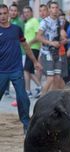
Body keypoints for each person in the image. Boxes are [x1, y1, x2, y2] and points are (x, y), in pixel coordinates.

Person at [0, 4, 42, 133]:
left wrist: (35, 61)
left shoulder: (17, 29)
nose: (2, 16)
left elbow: (25, 46)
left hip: (16, 70)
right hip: (1, 71)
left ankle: (26, 124)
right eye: (0, 14)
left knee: (23, 97)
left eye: (4, 13)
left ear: (9, 14)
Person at [37, 1, 63, 96]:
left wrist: (61, 40)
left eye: (56, 8)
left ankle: (52, 101)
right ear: (49, 9)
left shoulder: (59, 21)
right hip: (47, 53)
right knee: (50, 78)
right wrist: (51, 43)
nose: (55, 10)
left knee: (57, 78)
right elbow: (38, 37)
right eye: (52, 8)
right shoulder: (45, 22)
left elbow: (59, 36)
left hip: (57, 52)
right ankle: (41, 100)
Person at [23, 6, 42, 98]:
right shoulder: (27, 22)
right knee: (28, 70)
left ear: (31, 12)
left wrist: (29, 43)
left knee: (27, 70)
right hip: (28, 49)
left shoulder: (34, 21)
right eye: (24, 12)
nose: (26, 13)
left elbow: (37, 36)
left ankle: (39, 87)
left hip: (33, 48)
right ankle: (29, 91)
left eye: (28, 12)